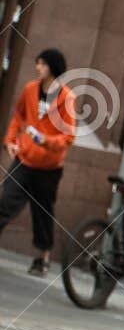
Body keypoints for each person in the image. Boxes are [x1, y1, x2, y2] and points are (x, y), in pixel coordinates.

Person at [0, 48, 77, 275]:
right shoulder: (30, 89)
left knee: (42, 212)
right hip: (24, 160)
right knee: (5, 202)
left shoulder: (67, 98)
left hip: (49, 168)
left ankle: (42, 258)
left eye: (42, 64)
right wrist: (10, 141)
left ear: (52, 67)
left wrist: (45, 140)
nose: (38, 67)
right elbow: (18, 116)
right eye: (37, 63)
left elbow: (68, 137)